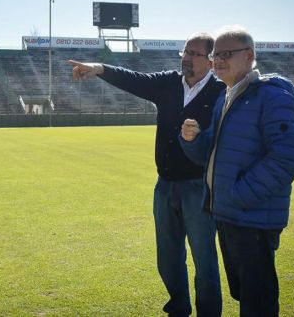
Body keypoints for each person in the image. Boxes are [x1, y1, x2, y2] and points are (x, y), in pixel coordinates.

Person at [67, 33, 225, 316]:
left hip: (198, 187)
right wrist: (99, 68)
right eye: (185, 52)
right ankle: (178, 307)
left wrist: (202, 136)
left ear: (211, 61)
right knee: (167, 258)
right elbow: (134, 79)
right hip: (164, 186)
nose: (186, 57)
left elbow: (224, 138)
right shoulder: (167, 83)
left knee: (205, 260)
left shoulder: (220, 92)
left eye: (194, 53)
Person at [179, 26, 294, 316]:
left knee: (258, 299)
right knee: (244, 292)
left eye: (226, 54)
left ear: (249, 56)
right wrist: (192, 140)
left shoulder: (272, 96)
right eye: (215, 55)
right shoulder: (227, 95)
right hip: (229, 214)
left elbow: (285, 160)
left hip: (251, 216)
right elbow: (213, 153)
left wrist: (236, 195)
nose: (218, 60)